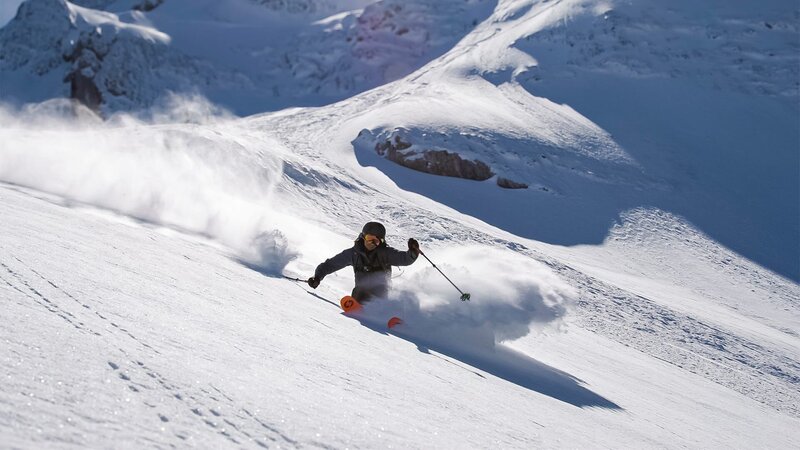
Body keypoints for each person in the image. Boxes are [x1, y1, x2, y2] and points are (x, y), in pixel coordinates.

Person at [307, 221, 420, 303]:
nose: (372, 243)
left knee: (394, 297)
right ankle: (358, 308)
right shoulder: (353, 254)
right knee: (360, 290)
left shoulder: (385, 253)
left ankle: (390, 314)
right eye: (369, 238)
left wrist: (413, 252)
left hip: (382, 295)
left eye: (376, 241)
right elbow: (330, 265)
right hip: (360, 295)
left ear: (381, 242)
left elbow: (404, 259)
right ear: (363, 237)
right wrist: (317, 277)